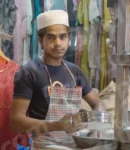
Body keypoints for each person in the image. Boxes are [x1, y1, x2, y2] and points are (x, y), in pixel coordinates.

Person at [11, 10, 105, 149]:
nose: (58, 43)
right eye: (51, 37)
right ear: (41, 41)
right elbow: (16, 122)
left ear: (68, 39)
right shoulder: (29, 72)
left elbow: (97, 103)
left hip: (75, 144)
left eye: (63, 37)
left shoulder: (74, 71)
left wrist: (98, 124)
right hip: (45, 146)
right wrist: (57, 125)